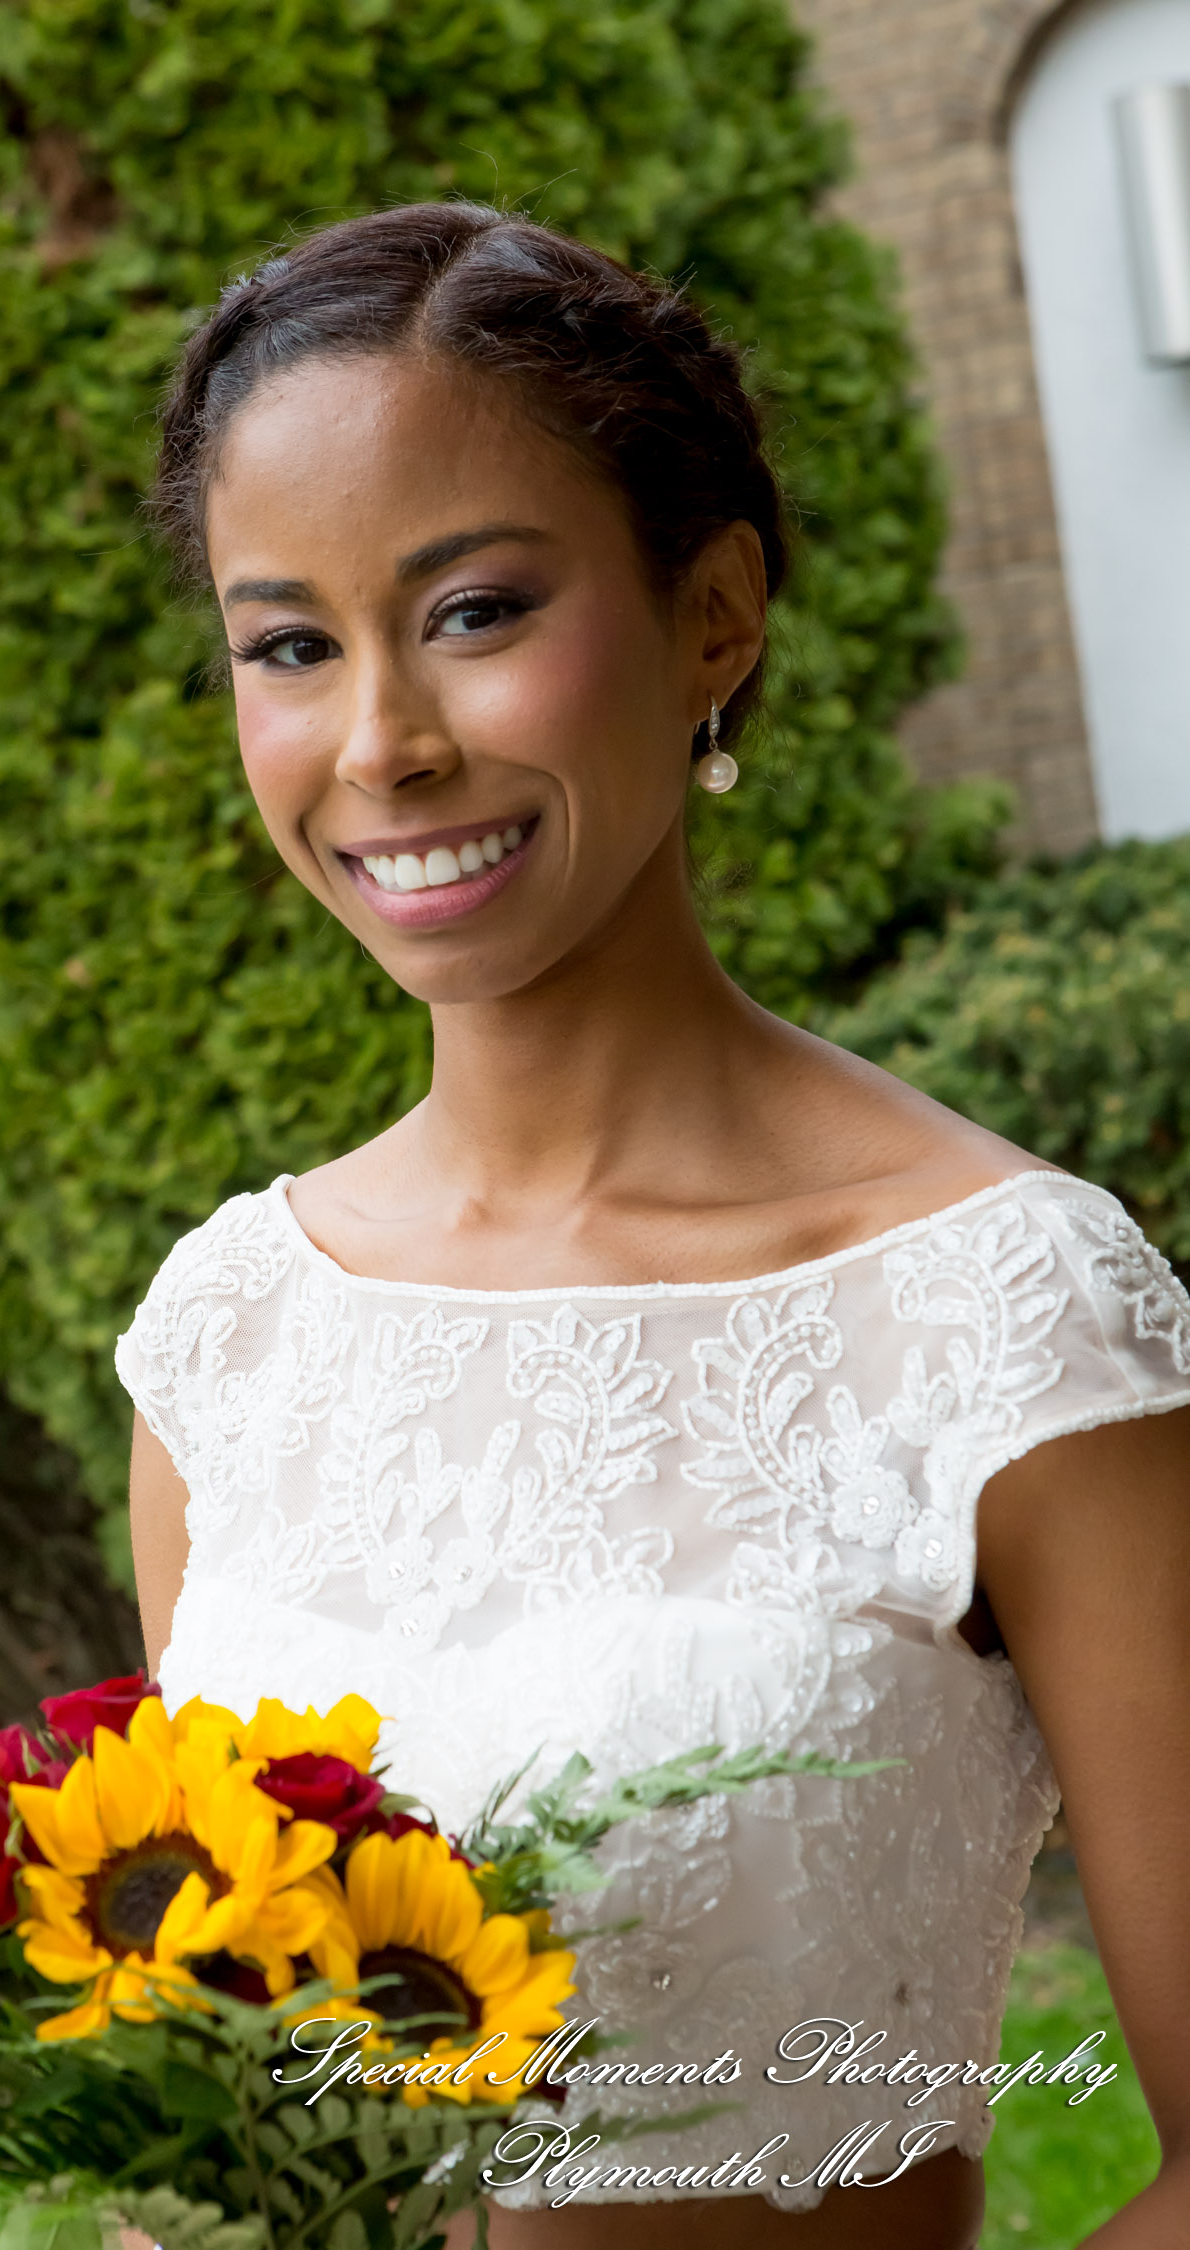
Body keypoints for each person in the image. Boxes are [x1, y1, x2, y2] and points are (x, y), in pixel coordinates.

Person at [119, 203, 1190, 2248]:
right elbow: (228, 2106)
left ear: (714, 617)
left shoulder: (1012, 1311)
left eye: (476, 610)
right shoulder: (235, 1337)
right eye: (289, 645)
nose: (380, 745)